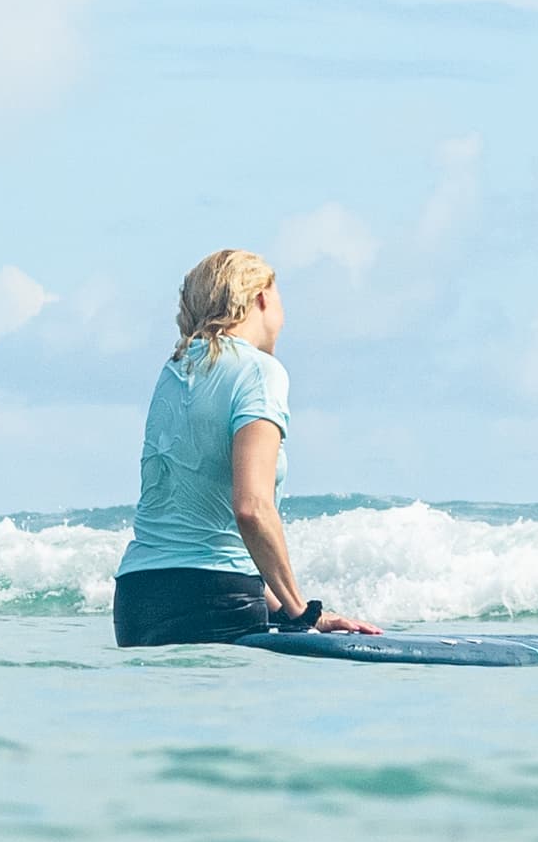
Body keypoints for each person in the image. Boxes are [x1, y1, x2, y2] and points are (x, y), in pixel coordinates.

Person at [113, 248, 380, 648]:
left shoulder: (174, 371)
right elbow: (252, 508)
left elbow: (201, 523)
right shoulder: (260, 372)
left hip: (137, 598)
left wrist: (273, 603)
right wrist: (302, 612)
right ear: (261, 298)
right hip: (215, 598)